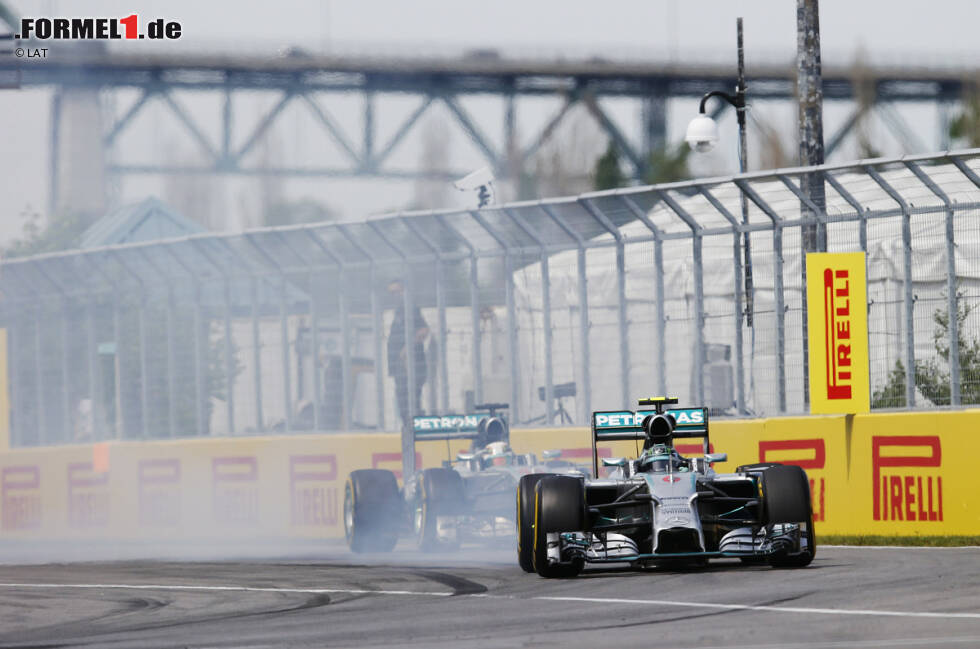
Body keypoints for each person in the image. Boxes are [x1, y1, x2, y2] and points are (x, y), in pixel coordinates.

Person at [386, 279, 429, 431]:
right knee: (403, 399)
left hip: (412, 366)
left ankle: (415, 428)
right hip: (401, 367)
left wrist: (407, 348)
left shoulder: (411, 309)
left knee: (411, 399)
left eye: (397, 292)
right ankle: (409, 427)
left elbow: (424, 330)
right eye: (392, 293)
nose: (395, 296)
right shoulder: (399, 312)